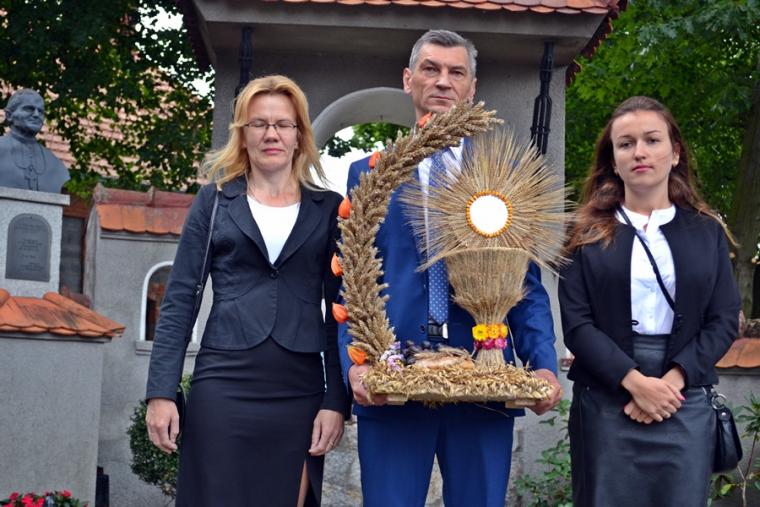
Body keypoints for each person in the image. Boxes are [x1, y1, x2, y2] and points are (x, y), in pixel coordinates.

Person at [338, 29, 562, 507]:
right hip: (392, 379)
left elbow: (526, 285)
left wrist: (543, 363)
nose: (443, 81)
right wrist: (354, 367)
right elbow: (349, 283)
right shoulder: (368, 175)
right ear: (408, 79)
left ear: (471, 87)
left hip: (484, 380)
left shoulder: (501, 179)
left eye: (456, 72)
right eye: (431, 69)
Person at [145, 75, 349, 507]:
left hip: (299, 389)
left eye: (283, 124)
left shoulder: (329, 208)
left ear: (299, 135)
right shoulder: (214, 201)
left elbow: (340, 311)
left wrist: (336, 400)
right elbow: (180, 300)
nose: (271, 134)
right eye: (259, 124)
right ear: (243, 134)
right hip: (224, 384)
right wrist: (161, 392)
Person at [559, 96, 740, 506]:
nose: (639, 152)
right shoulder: (583, 233)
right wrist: (635, 383)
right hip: (606, 397)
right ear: (613, 160)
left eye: (652, 140)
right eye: (626, 144)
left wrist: (671, 384)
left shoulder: (706, 232)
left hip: (684, 396)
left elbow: (725, 318)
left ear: (674, 153)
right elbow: (577, 323)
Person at [0, 89, 69, 193]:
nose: (36, 115)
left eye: (40, 111)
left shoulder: (55, 164)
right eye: (29, 109)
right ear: (9, 115)